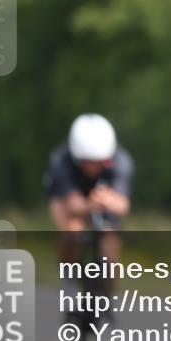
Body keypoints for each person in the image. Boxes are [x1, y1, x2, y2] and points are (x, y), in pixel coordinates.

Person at [46, 114, 133, 295]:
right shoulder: (61, 160)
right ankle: (69, 275)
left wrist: (108, 201)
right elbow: (72, 205)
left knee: (110, 243)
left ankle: (106, 296)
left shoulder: (121, 160)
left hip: (101, 201)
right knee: (71, 230)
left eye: (98, 163)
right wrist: (90, 205)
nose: (93, 168)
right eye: (88, 163)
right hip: (69, 199)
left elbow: (123, 205)